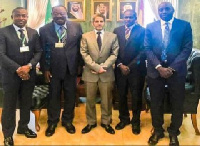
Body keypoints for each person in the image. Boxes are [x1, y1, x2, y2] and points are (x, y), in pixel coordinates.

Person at [144, 2, 192, 146]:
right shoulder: (150, 27)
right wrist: (159, 67)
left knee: (177, 103)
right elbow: (147, 48)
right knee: (156, 103)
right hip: (155, 72)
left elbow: (186, 49)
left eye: (167, 9)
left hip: (176, 73)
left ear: (173, 10)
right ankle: (158, 130)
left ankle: (173, 132)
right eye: (161, 9)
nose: (163, 12)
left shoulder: (184, 25)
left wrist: (171, 68)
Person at [0, 7, 42, 146]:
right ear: (12, 16)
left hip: (29, 75)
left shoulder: (33, 32)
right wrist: (18, 69)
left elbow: (38, 52)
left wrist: (29, 66)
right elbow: (1, 55)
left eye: (24, 16)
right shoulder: (3, 32)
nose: (21, 18)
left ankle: (23, 127)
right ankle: (7, 134)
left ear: (27, 17)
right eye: (18, 15)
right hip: (10, 76)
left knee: (26, 103)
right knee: (9, 106)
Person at [39, 5, 83, 136]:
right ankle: (52, 122)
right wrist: (45, 69)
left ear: (66, 14)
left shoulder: (76, 27)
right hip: (53, 70)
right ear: (52, 14)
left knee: (70, 96)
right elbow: (42, 50)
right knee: (53, 96)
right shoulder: (44, 29)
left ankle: (68, 121)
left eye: (62, 13)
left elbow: (80, 49)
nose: (59, 16)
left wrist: (79, 70)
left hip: (71, 69)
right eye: (56, 14)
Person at [80, 14, 119, 135]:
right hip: (90, 73)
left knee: (106, 100)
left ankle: (106, 122)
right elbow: (84, 53)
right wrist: (96, 67)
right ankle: (91, 122)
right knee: (90, 100)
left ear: (104, 23)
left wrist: (103, 67)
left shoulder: (113, 36)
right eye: (96, 21)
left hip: (106, 73)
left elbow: (114, 54)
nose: (99, 23)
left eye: (101, 21)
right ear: (93, 23)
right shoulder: (85, 36)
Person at [113, 9, 146, 135]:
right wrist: (120, 65)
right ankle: (124, 119)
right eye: (125, 17)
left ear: (135, 18)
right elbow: (113, 50)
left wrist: (129, 67)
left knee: (136, 97)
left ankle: (136, 122)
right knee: (121, 95)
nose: (127, 19)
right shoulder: (117, 31)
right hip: (120, 70)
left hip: (137, 71)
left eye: (130, 17)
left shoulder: (142, 31)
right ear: (123, 18)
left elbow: (143, 51)